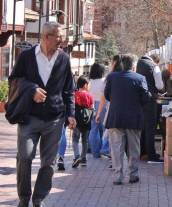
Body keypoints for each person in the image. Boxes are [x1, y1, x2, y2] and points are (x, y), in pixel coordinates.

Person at [8, 22, 76, 207]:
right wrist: (31, 90)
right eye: (60, 37)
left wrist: (71, 114)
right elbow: (14, 80)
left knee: (49, 162)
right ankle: (24, 198)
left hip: (54, 119)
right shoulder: (27, 57)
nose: (63, 40)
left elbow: (69, 90)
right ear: (47, 37)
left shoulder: (64, 58)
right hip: (29, 117)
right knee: (25, 157)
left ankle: (39, 199)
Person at [105, 54, 151, 185]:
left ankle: (118, 176)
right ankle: (133, 174)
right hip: (134, 118)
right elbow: (145, 98)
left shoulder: (112, 77)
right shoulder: (140, 78)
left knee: (116, 148)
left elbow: (107, 95)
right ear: (133, 66)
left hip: (116, 117)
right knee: (134, 148)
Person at [136, 54, 164, 163]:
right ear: (156, 60)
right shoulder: (154, 66)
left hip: (141, 100)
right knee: (150, 127)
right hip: (150, 100)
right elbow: (159, 85)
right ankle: (151, 154)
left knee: (142, 127)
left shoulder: (139, 63)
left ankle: (142, 152)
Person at [72, 76, 94, 168]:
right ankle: (83, 158)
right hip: (87, 120)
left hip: (77, 119)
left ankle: (77, 156)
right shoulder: (90, 95)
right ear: (85, 85)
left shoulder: (75, 94)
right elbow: (92, 108)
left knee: (75, 139)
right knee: (85, 140)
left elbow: (72, 106)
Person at [88, 63, 106, 158]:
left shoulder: (90, 82)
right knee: (104, 129)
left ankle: (95, 152)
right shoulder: (104, 81)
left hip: (91, 105)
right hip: (102, 105)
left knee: (93, 129)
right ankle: (104, 149)